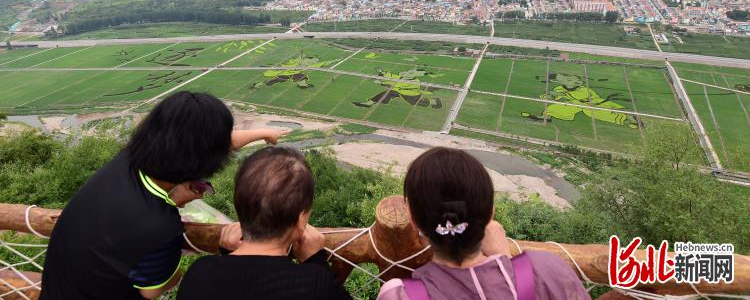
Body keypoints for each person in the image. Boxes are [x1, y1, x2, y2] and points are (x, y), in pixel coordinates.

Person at [40, 91, 288, 300]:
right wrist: (180, 269)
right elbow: (152, 291)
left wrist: (262, 133)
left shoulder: (127, 161)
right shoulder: (161, 227)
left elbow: (202, 144)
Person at [378, 148, 591, 300]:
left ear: (413, 220)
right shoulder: (545, 269)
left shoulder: (400, 295)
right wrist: (509, 263)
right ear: (491, 214)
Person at [177, 146, 352, 300]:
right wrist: (316, 260)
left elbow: (234, 285)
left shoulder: (199, 273)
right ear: (300, 221)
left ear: (240, 210)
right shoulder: (315, 284)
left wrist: (225, 255)